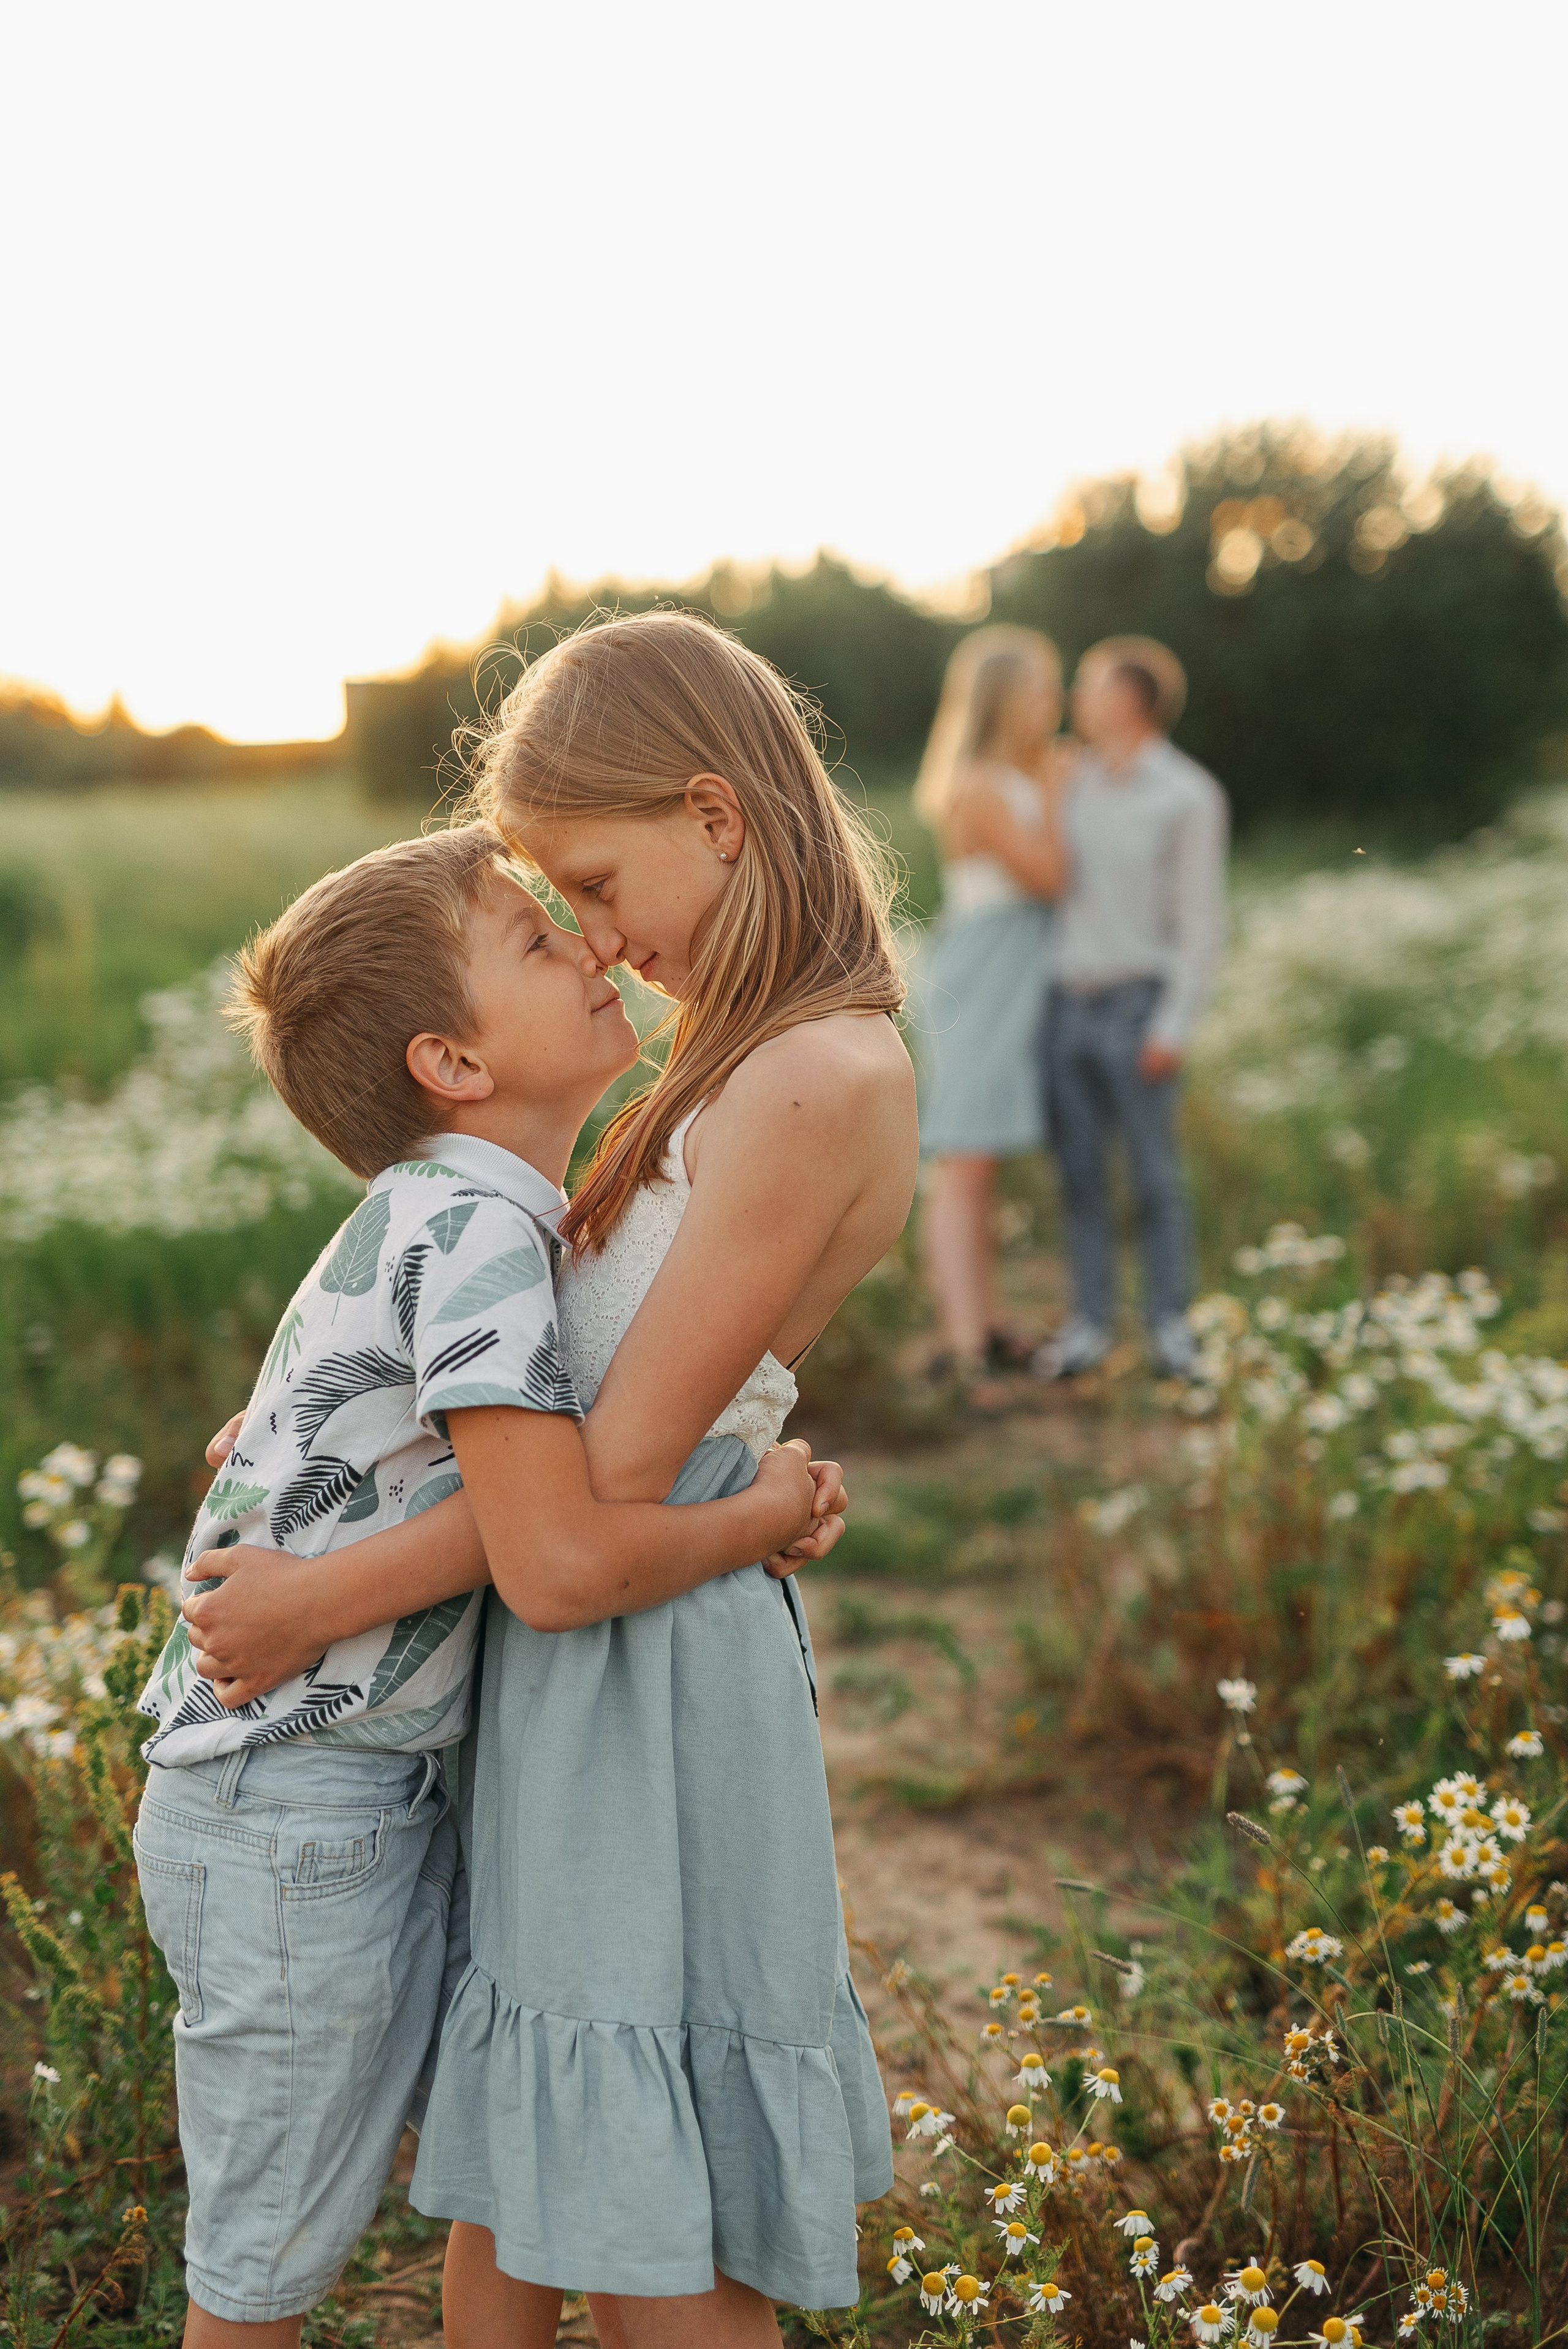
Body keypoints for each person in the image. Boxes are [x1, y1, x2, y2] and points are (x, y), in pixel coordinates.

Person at [179, 611, 916, 2347]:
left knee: (656, 2200)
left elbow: (594, 1485)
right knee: (530, 2163)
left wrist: (320, 1590)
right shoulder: (728, 1060)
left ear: (717, 817)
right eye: (558, 906)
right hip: (574, 1651)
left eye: (595, 878)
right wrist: (316, 1431)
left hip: (636, 1664)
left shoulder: (817, 1070)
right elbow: (524, 1387)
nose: (595, 937)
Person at [1035, 635, 1227, 1381]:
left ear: (1130, 701)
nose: (1076, 698)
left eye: (1089, 685)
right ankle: (1089, 1324)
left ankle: (1170, 1327)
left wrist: (1172, 1023)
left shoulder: (1186, 794)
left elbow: (1201, 921)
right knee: (1079, 1175)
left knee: (1154, 1178)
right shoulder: (1071, 780)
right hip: (1068, 1004)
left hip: (1138, 1005)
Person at [911, 625, 1069, 1381]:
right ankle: (963, 1341)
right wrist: (1061, 790)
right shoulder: (979, 783)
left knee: (986, 1163)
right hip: (979, 977)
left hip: (1019, 972)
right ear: (1004, 697)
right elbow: (1047, 875)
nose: (1054, 701)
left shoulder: (1023, 774)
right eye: (1040, 685)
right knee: (963, 1157)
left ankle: (993, 1318)